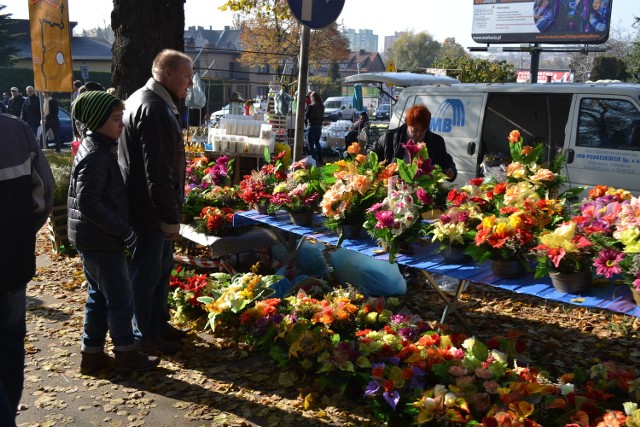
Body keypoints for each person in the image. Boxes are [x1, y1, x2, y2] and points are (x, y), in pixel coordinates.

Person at [68, 91, 160, 375]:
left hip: (93, 239)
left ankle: (92, 354)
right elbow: (89, 202)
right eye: (115, 119)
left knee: (99, 296)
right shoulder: (97, 154)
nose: (121, 124)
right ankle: (125, 353)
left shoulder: (97, 146)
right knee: (120, 297)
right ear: (97, 121)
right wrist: (124, 231)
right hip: (101, 240)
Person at [118, 49, 192, 356]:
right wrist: (169, 217)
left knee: (159, 272)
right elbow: (158, 172)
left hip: (144, 207)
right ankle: (145, 335)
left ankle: (157, 325)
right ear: (169, 73)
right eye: (187, 77)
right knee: (147, 276)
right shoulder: (155, 108)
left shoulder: (143, 98)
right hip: (150, 212)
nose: (190, 83)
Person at [0, 113, 54, 426]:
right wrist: (20, 233)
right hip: (13, 261)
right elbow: (43, 195)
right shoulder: (17, 131)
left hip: (14, 259)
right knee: (9, 344)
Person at [371, 104, 457, 181]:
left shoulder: (436, 141)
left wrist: (450, 170)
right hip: (394, 185)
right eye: (414, 130)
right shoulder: (389, 137)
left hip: (424, 188)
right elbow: (372, 154)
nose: (418, 134)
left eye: (422, 130)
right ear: (407, 124)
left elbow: (446, 161)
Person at [305, 91, 325, 164]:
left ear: (312, 97)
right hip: (319, 126)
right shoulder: (322, 106)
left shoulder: (311, 106)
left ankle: (313, 160)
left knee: (311, 144)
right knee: (317, 143)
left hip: (312, 126)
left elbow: (306, 116)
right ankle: (320, 159)